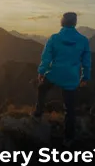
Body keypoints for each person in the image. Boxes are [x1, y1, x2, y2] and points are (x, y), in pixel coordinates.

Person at [31, 12, 91, 148]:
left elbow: (46, 57)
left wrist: (41, 71)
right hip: (72, 77)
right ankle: (68, 138)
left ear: (62, 22)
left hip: (55, 73)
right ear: (75, 23)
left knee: (42, 88)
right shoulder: (83, 40)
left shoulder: (54, 38)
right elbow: (86, 62)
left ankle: (37, 113)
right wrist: (85, 77)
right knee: (70, 109)